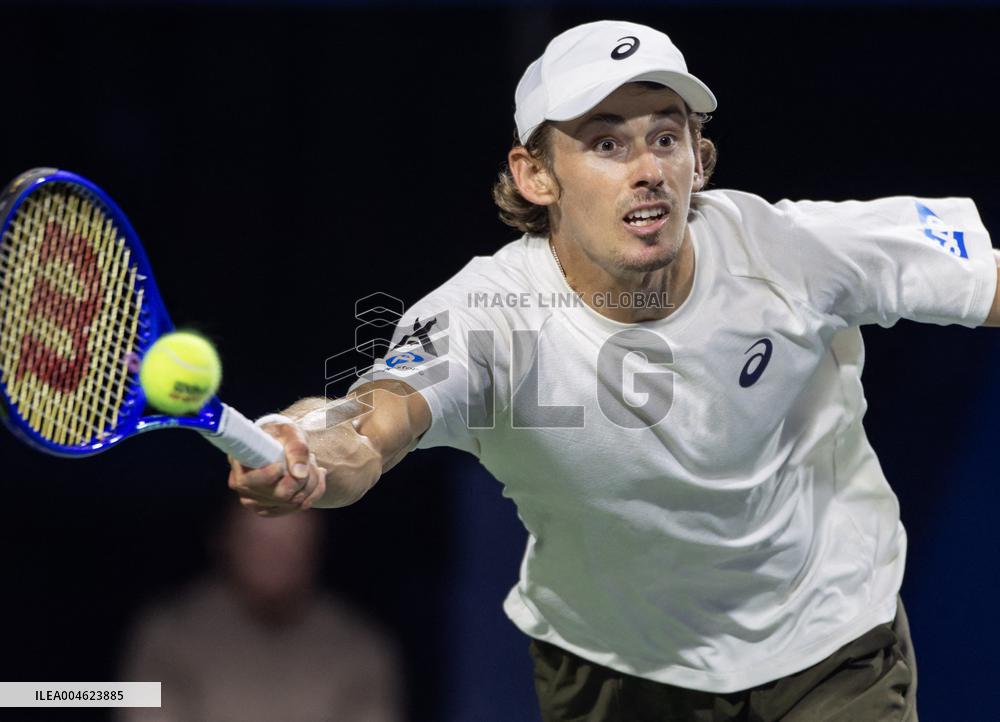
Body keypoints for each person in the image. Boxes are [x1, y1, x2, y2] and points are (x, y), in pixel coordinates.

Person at [228, 19, 999, 721]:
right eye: (605, 142)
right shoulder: (489, 315)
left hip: (827, 645)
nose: (648, 169)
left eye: (666, 138)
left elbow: (985, 282)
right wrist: (307, 444)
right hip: (614, 666)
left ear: (699, 159)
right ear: (536, 176)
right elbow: (372, 419)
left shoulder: (789, 252)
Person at [117, 503, 404, 722]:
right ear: (224, 541)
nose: (274, 557)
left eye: (291, 544)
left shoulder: (361, 647)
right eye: (259, 541)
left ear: (316, 547)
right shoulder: (166, 634)